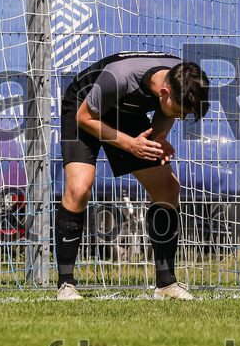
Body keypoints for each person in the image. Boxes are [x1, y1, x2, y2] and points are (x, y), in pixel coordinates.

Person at [55, 52, 209, 300]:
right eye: (181, 112)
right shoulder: (119, 77)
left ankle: (166, 284)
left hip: (126, 112)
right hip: (84, 108)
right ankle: (65, 285)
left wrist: (159, 137)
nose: (182, 118)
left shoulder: (181, 76)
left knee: (168, 188)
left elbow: (166, 112)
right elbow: (84, 118)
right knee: (79, 189)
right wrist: (129, 144)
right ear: (164, 93)